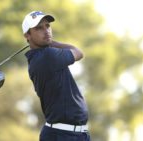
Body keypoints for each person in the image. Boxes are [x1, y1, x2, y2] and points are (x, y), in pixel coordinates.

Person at [22, 11, 90, 141]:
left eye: (47, 26)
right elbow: (78, 53)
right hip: (61, 135)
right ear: (27, 35)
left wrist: (48, 41)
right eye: (39, 28)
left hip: (74, 135)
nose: (46, 31)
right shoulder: (47, 56)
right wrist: (52, 42)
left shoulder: (39, 57)